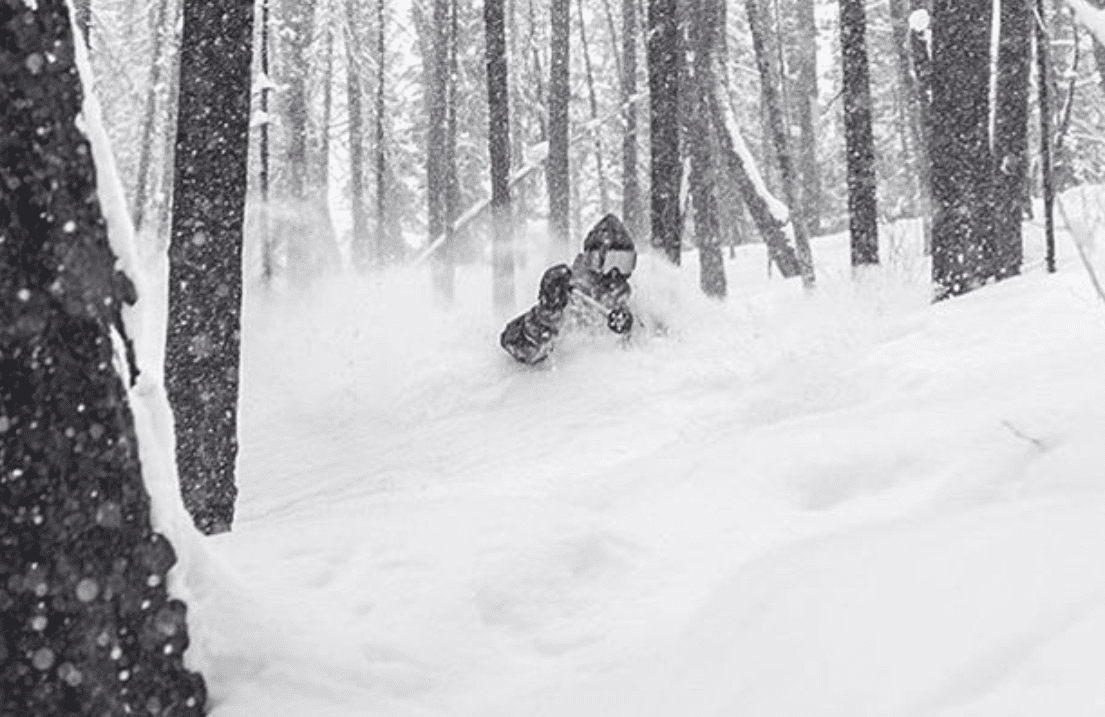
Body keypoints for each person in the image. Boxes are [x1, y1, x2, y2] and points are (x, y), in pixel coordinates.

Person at [501, 213, 637, 364]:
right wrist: (548, 312)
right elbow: (517, 346)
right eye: (608, 261)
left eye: (624, 262)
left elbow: (652, 344)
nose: (615, 272)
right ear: (591, 259)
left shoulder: (631, 302)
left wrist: (632, 327)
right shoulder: (568, 296)